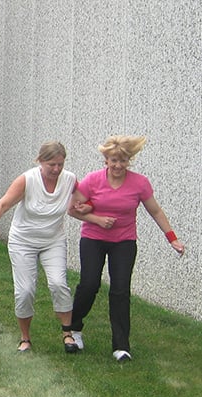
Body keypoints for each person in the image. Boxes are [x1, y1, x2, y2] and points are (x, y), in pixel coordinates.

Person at [68, 135, 185, 362]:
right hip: (93, 238)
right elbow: (73, 210)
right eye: (114, 160)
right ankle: (74, 330)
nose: (118, 165)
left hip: (124, 241)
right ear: (106, 160)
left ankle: (121, 346)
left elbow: (156, 211)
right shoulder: (92, 180)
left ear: (129, 161)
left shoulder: (139, 183)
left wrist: (172, 238)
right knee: (89, 284)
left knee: (120, 290)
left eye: (123, 161)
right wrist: (97, 219)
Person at [0, 141, 84, 353]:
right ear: (40, 161)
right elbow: (3, 204)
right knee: (25, 290)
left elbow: (83, 200)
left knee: (58, 283)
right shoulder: (27, 180)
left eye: (60, 164)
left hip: (53, 240)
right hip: (23, 241)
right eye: (51, 165)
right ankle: (25, 338)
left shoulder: (70, 179)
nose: (56, 169)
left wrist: (85, 207)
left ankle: (68, 334)